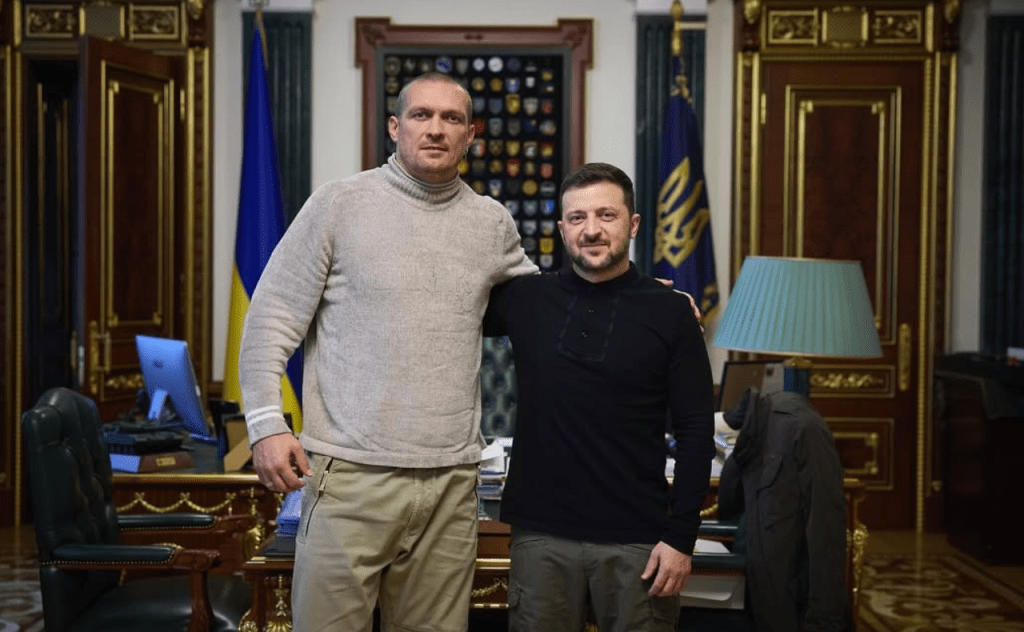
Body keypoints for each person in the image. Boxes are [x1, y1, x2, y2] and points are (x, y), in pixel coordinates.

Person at [237, 72, 537, 632]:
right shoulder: (339, 204)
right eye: (421, 115)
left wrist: (642, 299)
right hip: (349, 477)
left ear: (470, 135)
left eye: (451, 119)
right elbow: (271, 317)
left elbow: (548, 307)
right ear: (395, 128)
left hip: (451, 484)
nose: (436, 129)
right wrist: (265, 423)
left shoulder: (491, 222)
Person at [483, 162, 716, 632]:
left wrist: (682, 539)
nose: (591, 230)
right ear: (561, 229)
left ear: (632, 225)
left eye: (606, 216)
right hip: (541, 536)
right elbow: (437, 301)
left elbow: (696, 431)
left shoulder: (671, 313)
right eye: (577, 218)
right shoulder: (524, 299)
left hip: (639, 542)